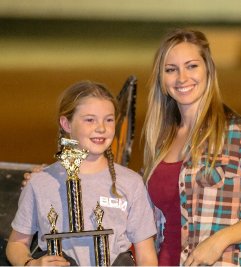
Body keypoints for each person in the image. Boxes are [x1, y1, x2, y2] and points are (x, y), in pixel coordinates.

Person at [142, 28, 241, 266]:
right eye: (171, 69)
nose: (182, 78)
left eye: (192, 66)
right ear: (162, 80)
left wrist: (221, 240)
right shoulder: (160, 140)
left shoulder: (238, 132)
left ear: (208, 69)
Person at [7, 81, 158, 266]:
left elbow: (146, 256)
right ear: (66, 124)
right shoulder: (40, 182)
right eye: (90, 120)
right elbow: (16, 243)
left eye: (109, 119)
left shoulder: (131, 183)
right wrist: (31, 263)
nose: (101, 128)